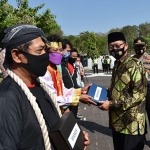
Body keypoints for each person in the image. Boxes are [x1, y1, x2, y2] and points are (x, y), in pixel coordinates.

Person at [0, 24, 90, 150]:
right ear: (16, 55)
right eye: (39, 51)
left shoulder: (40, 86)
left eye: (46, 50)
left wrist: (75, 141)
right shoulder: (6, 99)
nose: (45, 56)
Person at [99, 32, 147, 150]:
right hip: (118, 123)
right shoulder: (117, 64)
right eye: (111, 47)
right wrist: (106, 92)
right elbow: (121, 88)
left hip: (131, 124)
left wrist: (111, 104)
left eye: (117, 45)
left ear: (125, 45)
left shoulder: (134, 65)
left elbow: (139, 95)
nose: (114, 49)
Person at [40, 35, 95, 114]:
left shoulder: (56, 69)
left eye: (60, 50)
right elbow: (52, 98)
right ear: (46, 51)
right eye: (55, 50)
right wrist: (77, 98)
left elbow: (63, 91)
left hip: (59, 110)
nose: (59, 53)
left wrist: (80, 91)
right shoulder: (44, 71)